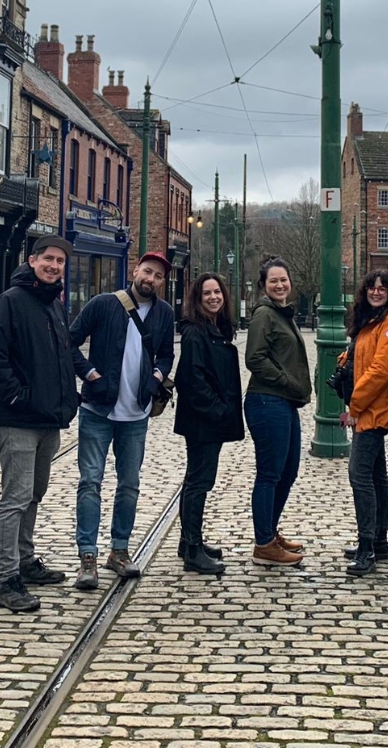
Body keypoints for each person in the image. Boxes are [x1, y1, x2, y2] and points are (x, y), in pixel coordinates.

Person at [0, 236, 81, 613]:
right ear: (33, 261)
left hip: (48, 419)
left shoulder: (53, 304)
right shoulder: (12, 301)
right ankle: (6, 580)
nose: (54, 266)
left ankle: (24, 559)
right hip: (19, 419)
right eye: (48, 259)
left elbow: (63, 355)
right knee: (15, 498)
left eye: (60, 261)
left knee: (34, 493)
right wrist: (16, 395)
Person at [67, 252, 176, 589]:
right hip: (97, 409)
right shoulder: (103, 304)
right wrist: (88, 373)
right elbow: (69, 341)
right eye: (147, 272)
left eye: (158, 276)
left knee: (129, 485)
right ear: (135, 271)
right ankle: (88, 556)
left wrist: (157, 376)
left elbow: (167, 353)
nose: (152, 279)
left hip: (136, 413)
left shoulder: (164, 313)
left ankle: (120, 550)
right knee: (90, 482)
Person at [339, 270, 388, 577]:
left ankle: (366, 546)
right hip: (370, 407)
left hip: (373, 410)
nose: (376, 291)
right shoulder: (373, 322)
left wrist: (355, 406)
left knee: (360, 476)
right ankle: (378, 541)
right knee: (376, 476)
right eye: (371, 286)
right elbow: (365, 358)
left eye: (383, 287)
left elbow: (381, 371)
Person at [173, 272, 244, 575]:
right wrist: (218, 410)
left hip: (207, 418)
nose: (214, 297)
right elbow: (192, 380)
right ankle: (192, 550)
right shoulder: (195, 333)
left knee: (196, 480)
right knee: (199, 482)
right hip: (203, 420)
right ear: (197, 299)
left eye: (217, 292)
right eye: (207, 294)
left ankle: (189, 541)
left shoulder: (215, 328)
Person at [243, 257, 311, 566]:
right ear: (264, 285)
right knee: (270, 474)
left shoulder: (283, 314)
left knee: (289, 470)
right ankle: (264, 544)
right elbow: (255, 358)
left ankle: (270, 532)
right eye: (273, 281)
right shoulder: (264, 315)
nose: (280, 284)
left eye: (283, 280)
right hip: (267, 401)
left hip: (283, 402)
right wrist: (286, 381)